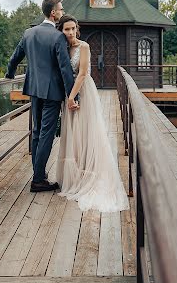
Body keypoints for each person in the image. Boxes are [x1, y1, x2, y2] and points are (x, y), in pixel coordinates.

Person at [55, 14, 129, 213]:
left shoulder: (84, 46)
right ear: (61, 31)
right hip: (67, 92)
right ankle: (74, 175)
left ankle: (88, 173)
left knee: (86, 129)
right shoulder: (61, 47)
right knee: (72, 132)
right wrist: (67, 96)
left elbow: (82, 73)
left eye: (72, 29)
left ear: (77, 29)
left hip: (83, 91)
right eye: (66, 29)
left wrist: (72, 97)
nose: (70, 33)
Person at [5, 0, 78, 193]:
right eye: (61, 9)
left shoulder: (29, 33)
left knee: (37, 132)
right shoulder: (58, 37)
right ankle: (38, 180)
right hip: (52, 93)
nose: (62, 12)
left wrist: (9, 74)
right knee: (46, 134)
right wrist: (73, 96)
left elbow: (15, 57)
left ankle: (39, 174)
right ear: (53, 13)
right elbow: (65, 69)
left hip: (34, 90)